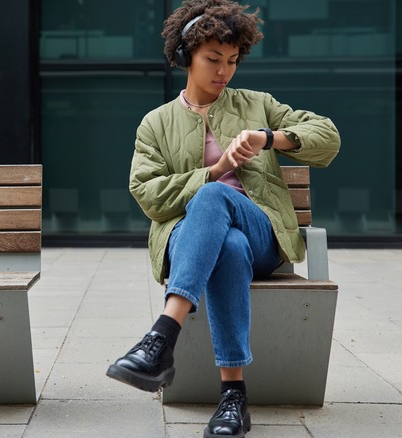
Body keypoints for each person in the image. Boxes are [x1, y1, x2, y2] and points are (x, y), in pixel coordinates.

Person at [105, 1, 341, 437]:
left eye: (232, 61)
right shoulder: (155, 124)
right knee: (223, 238)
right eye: (213, 59)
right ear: (185, 56)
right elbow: (150, 196)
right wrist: (214, 171)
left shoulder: (257, 105)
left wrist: (269, 137)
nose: (224, 71)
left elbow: (327, 137)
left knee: (223, 211)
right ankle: (234, 399)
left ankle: (161, 339)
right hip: (187, 238)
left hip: (262, 237)